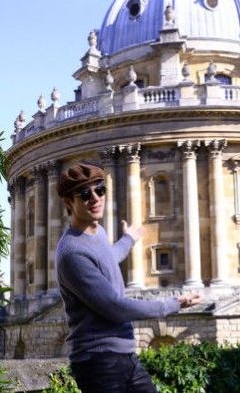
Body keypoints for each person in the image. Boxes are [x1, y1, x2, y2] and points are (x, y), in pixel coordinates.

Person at [55, 162, 201, 393]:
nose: (95, 198)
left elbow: (107, 260)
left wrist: (128, 240)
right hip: (98, 361)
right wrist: (173, 304)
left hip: (122, 354)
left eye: (99, 190)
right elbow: (115, 307)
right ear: (69, 202)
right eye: (85, 194)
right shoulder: (72, 252)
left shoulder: (98, 232)